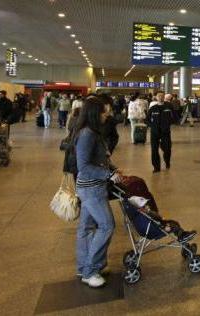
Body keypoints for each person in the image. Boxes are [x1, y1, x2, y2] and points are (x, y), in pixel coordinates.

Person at [74, 96, 122, 288]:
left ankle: (85, 266)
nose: (107, 114)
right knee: (106, 225)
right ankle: (91, 270)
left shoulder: (93, 132)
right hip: (91, 188)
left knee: (85, 228)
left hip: (92, 187)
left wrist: (112, 169)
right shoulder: (87, 134)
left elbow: (100, 159)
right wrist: (107, 174)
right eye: (104, 111)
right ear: (95, 113)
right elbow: (83, 166)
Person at [147, 91, 173, 173]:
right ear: (156, 97)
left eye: (162, 96)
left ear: (164, 97)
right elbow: (147, 120)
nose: (161, 97)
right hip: (154, 132)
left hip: (165, 132)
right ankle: (156, 167)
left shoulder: (168, 107)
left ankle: (167, 161)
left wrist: (168, 124)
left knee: (167, 149)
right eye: (159, 96)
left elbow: (174, 117)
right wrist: (152, 126)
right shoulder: (152, 108)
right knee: (154, 150)